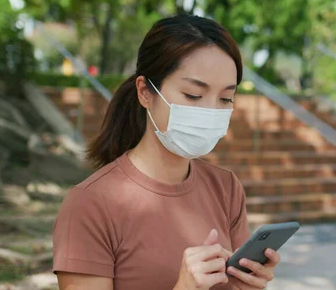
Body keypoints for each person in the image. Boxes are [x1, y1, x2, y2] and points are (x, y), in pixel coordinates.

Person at [52, 15, 281, 290]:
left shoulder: (226, 188)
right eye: (193, 95)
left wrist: (248, 286)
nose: (211, 111)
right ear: (145, 92)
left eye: (225, 98)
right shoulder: (90, 204)